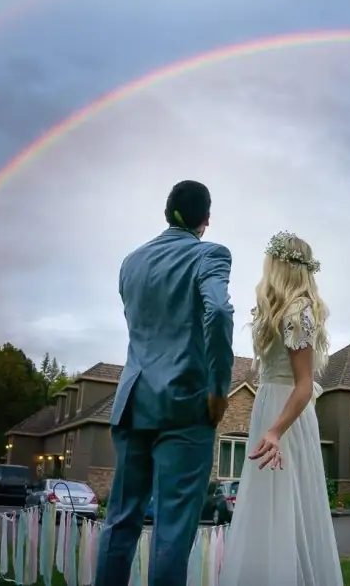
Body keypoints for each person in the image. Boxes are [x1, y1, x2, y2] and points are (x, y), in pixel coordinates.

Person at [94, 180, 235, 586]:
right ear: (206, 220)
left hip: (133, 402)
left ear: (166, 212)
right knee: (173, 530)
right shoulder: (210, 254)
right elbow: (220, 313)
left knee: (120, 519)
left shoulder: (131, 262)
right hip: (184, 406)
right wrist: (217, 389)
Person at [219, 231, 343, 586]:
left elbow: (304, 384)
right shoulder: (279, 310)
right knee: (267, 506)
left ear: (280, 265)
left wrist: (275, 431)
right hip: (268, 406)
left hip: (287, 415)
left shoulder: (298, 311)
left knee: (288, 504)